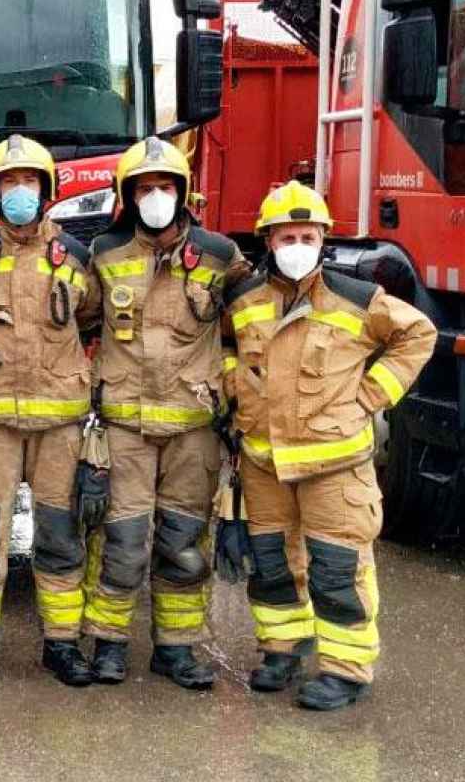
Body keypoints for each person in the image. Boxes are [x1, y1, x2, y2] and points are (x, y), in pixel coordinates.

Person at [221, 180, 434, 710]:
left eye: (307, 235)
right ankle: (282, 650)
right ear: (268, 241)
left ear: (323, 239)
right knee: (271, 565)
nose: (297, 246)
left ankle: (345, 669)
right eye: (286, 236)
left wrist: (371, 395)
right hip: (263, 461)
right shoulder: (244, 301)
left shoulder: (358, 298)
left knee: (337, 568)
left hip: (334, 464)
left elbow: (419, 335)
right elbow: (225, 347)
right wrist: (235, 384)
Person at [79, 137, 247, 690]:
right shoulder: (102, 253)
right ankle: (108, 645)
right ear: (127, 195)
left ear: (184, 192)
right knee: (119, 539)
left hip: (192, 429)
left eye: (165, 187)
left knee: (183, 541)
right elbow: (70, 321)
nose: (156, 197)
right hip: (123, 427)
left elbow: (252, 323)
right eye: (145, 188)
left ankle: (175, 650)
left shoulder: (221, 255)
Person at [0, 134, 98, 690]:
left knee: (60, 537)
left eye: (29, 181)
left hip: (59, 424)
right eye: (9, 182)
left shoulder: (79, 258)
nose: (19, 191)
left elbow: (94, 320)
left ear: (47, 189)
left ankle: (62, 644)